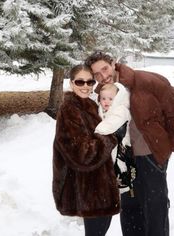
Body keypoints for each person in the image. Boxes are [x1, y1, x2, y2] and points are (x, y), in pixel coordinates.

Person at [85, 51, 174, 236]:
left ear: (113, 63)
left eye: (105, 69)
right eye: (97, 74)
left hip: (150, 155)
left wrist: (171, 145)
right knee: (130, 208)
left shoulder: (146, 81)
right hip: (124, 158)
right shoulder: (102, 94)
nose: (103, 76)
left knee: (155, 206)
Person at [52, 64, 120, 236]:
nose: (85, 86)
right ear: (71, 83)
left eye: (89, 82)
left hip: (98, 186)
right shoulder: (69, 110)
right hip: (88, 190)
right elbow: (82, 154)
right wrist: (112, 138)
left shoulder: (90, 105)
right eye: (80, 82)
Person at [94, 82, 135, 195]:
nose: (106, 101)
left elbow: (111, 124)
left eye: (110, 98)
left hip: (123, 145)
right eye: (103, 98)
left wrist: (97, 131)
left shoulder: (121, 110)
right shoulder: (103, 110)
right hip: (112, 142)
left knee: (119, 165)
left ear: (118, 98)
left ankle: (121, 182)